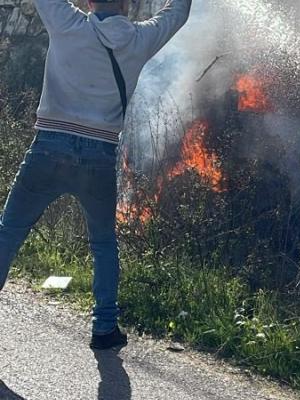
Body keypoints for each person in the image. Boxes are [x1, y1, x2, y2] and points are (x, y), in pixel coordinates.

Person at [0, 0, 191, 349]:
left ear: (89, 1)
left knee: (8, 233)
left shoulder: (67, 23)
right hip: (99, 156)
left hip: (48, 149)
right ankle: (104, 328)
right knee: (103, 244)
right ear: (128, 5)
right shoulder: (139, 40)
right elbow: (177, 13)